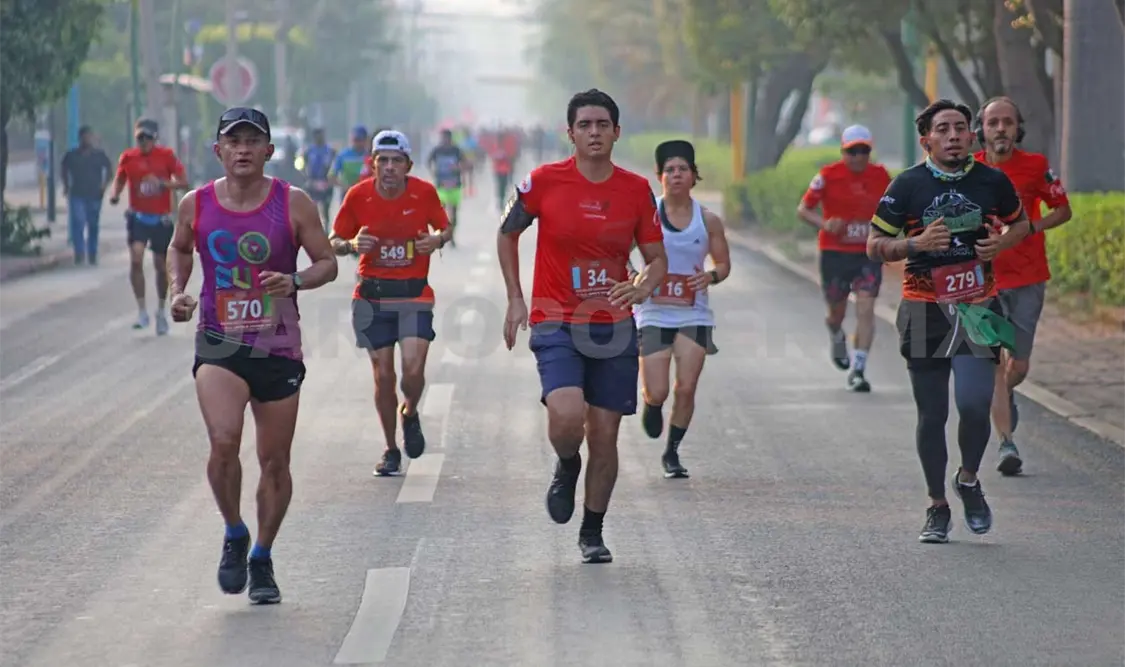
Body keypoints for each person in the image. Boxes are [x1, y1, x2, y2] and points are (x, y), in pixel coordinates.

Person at [166, 108, 338, 603]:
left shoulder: (295, 203)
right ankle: (234, 531)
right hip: (220, 341)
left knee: (275, 462)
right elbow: (179, 248)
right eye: (232, 141)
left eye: (252, 141)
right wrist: (179, 289)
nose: (242, 149)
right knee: (223, 441)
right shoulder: (195, 204)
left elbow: (326, 263)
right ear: (217, 150)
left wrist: (297, 279)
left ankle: (261, 556)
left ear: (269, 151)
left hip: (278, 343)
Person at [497, 89, 668, 564]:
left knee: (606, 435)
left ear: (616, 131)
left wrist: (642, 283)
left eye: (603, 124)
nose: (594, 132)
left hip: (612, 324)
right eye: (585, 125)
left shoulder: (635, 191)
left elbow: (657, 259)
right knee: (568, 416)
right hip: (555, 317)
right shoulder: (543, 182)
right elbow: (508, 232)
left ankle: (592, 531)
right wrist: (515, 297)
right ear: (569, 133)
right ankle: (567, 465)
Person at [867, 99, 1030, 544]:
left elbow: (1022, 223)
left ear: (972, 135)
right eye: (944, 129)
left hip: (978, 304)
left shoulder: (992, 181)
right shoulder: (907, 186)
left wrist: (1000, 244)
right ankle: (936, 505)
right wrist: (914, 245)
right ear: (927, 140)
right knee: (933, 413)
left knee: (976, 403)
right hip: (924, 308)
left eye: (961, 127)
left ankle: (970, 480)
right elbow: (875, 243)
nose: (954, 135)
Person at [330, 130, 452, 476]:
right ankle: (390, 449)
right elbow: (334, 239)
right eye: (382, 161)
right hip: (372, 296)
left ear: (408, 165)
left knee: (412, 374)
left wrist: (436, 240)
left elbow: (445, 229)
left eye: (396, 161)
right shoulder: (358, 196)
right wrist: (352, 245)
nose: (388, 168)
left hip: (414, 295)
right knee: (384, 376)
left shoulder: (424, 193)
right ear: (372, 164)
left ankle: (409, 412)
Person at [973, 96, 1072, 476]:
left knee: (1020, 365)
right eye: (993, 122)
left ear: (1017, 128)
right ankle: (1006, 443)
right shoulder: (969, 169)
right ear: (981, 129)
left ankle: (1006, 397)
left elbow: (1063, 210)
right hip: (984, 280)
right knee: (994, 362)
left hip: (1029, 276)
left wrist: (1033, 227)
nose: (1000, 129)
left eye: (1007, 122)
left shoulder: (1035, 167)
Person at [634, 139, 731, 478]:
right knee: (657, 389)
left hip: (693, 313)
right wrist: (634, 277)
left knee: (686, 387)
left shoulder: (708, 220)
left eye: (683, 170)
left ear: (693, 176)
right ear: (659, 176)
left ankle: (672, 452)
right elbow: (618, 252)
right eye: (670, 170)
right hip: (653, 311)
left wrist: (711, 276)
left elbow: (723, 264)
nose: (676, 175)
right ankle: (652, 404)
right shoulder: (645, 216)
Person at [797, 125, 892, 391]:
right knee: (835, 312)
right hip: (835, 254)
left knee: (866, 307)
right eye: (852, 151)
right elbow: (803, 209)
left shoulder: (881, 175)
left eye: (863, 151)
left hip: (867, 254)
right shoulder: (828, 175)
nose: (858, 157)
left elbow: (895, 208)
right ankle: (836, 334)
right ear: (843, 151)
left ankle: (858, 369)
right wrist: (824, 224)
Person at [109, 118, 189, 334]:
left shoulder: (167, 156)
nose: (143, 142)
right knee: (136, 259)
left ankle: (161, 311)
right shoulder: (128, 157)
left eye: (147, 138)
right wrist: (115, 194)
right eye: (139, 138)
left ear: (155, 138)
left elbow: (184, 182)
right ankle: (142, 310)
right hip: (138, 217)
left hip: (161, 218)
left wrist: (163, 184)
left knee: (161, 266)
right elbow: (119, 179)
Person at [61, 126, 112, 265]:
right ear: (80, 138)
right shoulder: (72, 155)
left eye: (89, 136)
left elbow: (109, 169)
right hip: (77, 193)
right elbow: (64, 168)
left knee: (93, 224)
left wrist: (104, 185)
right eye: (85, 137)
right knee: (78, 221)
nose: (87, 139)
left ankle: (92, 253)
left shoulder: (99, 155)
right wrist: (66, 185)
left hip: (95, 194)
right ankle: (79, 252)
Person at [427, 129, 468, 246]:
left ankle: (452, 235)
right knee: (440, 213)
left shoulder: (456, 150)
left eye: (446, 138)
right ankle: (442, 235)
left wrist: (459, 168)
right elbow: (429, 162)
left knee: (454, 213)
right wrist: (433, 171)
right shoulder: (436, 150)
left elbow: (466, 163)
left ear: (450, 138)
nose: (444, 140)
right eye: (442, 138)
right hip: (441, 185)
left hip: (455, 185)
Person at [302, 128, 337, 229]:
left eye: (321, 135)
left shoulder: (330, 150)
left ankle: (326, 228)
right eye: (317, 136)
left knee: (326, 207)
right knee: (312, 207)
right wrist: (307, 177)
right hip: (313, 182)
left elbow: (334, 165)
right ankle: (312, 227)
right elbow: (302, 165)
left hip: (326, 182)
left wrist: (331, 178)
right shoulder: (308, 151)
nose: (319, 138)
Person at [330, 126, 370, 197]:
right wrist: (343, 186)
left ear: (365, 140)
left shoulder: (370, 156)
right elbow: (331, 175)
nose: (357, 143)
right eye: (355, 140)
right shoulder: (343, 155)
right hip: (347, 194)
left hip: (365, 194)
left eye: (360, 140)